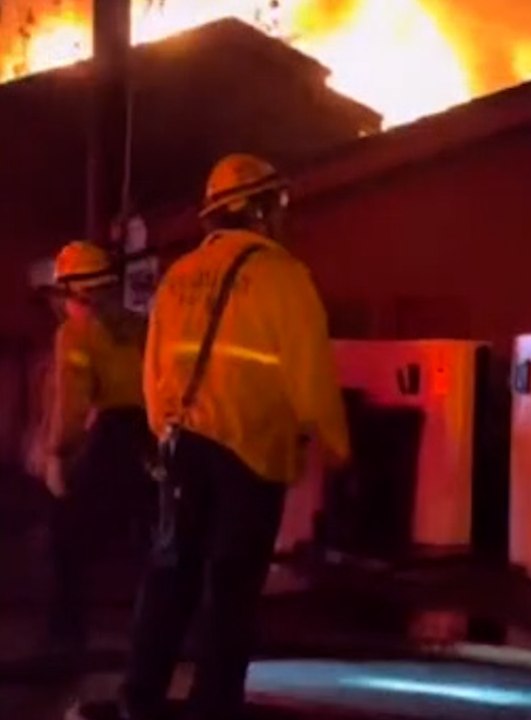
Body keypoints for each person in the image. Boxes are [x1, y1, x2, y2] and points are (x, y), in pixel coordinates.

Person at [70, 153, 350, 720]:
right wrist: (339, 446)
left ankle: (139, 700)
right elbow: (311, 373)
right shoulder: (283, 277)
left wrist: (163, 436)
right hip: (249, 454)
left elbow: (154, 368)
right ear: (257, 210)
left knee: (168, 577)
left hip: (182, 449)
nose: (283, 218)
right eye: (278, 206)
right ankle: (213, 707)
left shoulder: (177, 278)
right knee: (231, 590)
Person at [40, 240, 151, 655]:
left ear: (75, 291)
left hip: (111, 433)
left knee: (65, 535)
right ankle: (150, 634)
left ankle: (66, 634)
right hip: (149, 437)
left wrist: (57, 454)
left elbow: (73, 403)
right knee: (146, 541)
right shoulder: (138, 326)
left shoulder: (75, 332)